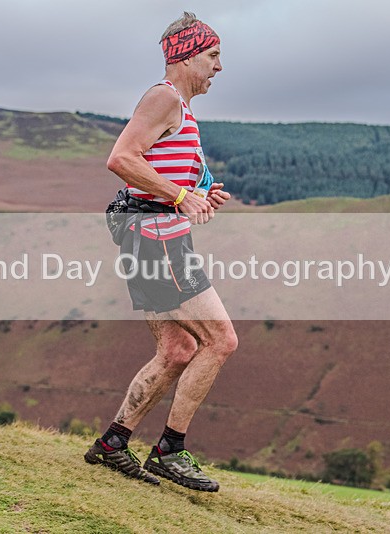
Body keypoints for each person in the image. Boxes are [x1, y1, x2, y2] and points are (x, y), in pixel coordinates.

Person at [84, 12, 238, 492]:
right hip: (155, 237)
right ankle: (170, 449)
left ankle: (113, 442)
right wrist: (178, 196)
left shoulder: (182, 110)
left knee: (177, 350)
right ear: (188, 55)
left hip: (153, 233)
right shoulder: (164, 97)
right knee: (221, 340)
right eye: (213, 57)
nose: (218, 68)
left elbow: (160, 172)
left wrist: (197, 193)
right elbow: (121, 158)